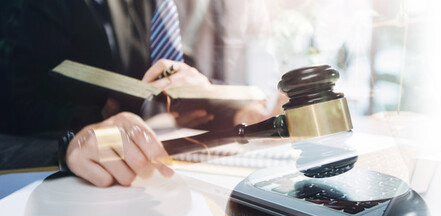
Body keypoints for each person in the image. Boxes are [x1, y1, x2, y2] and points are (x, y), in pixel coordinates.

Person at [0, 0, 273, 186]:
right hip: (43, 175)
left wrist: (234, 108)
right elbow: (18, 103)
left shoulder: (146, 6)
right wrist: (84, 130)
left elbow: (172, 72)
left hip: (140, 167)